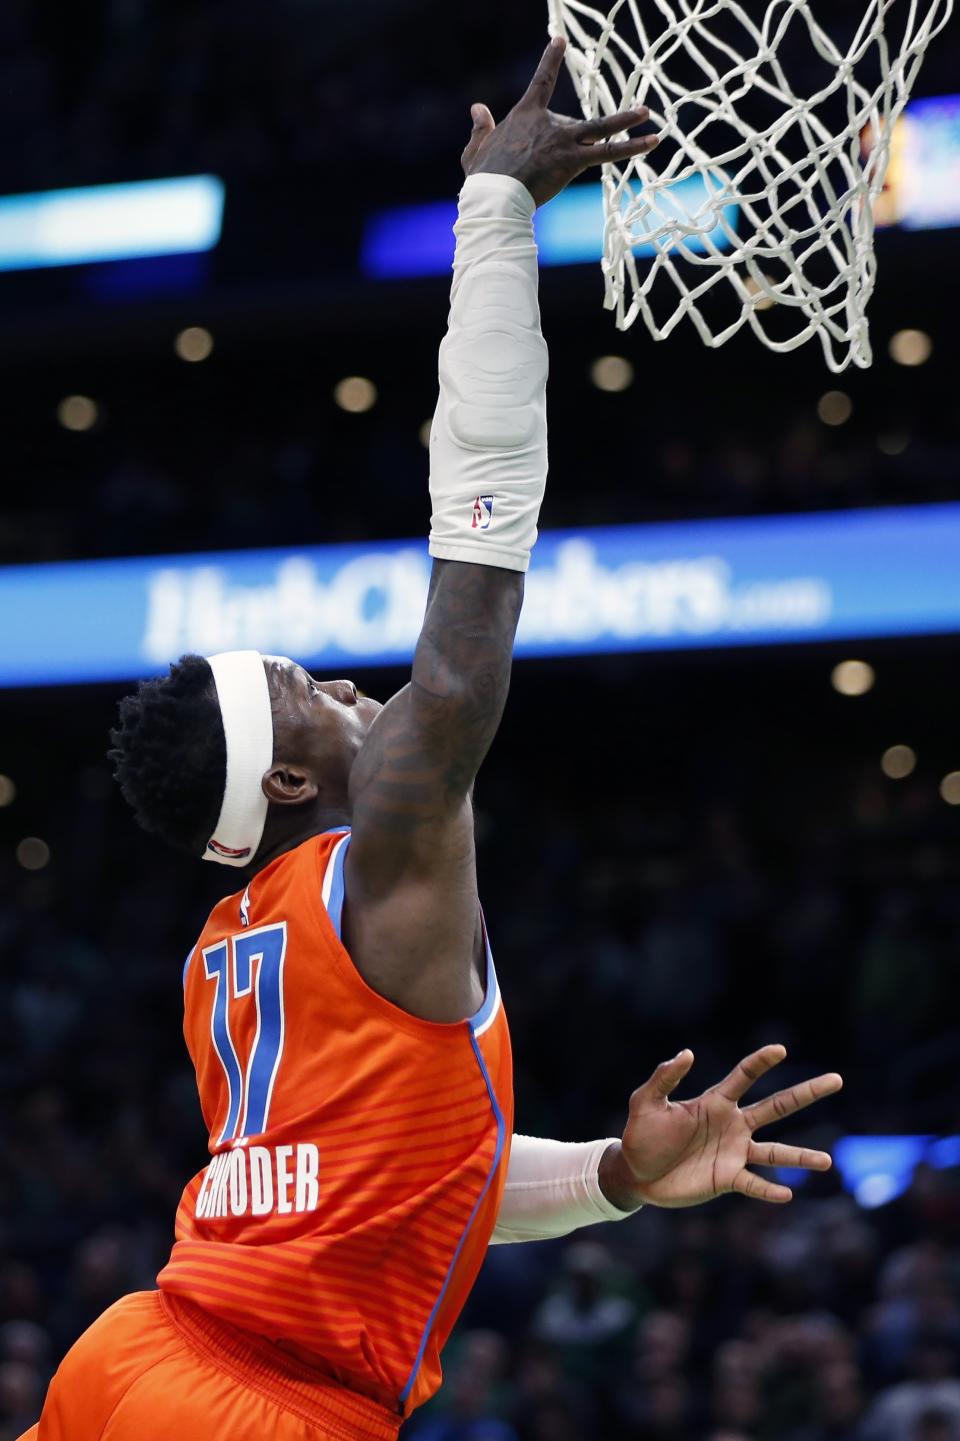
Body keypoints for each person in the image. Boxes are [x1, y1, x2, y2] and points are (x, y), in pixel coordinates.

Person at [22, 37, 842, 1441]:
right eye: (310, 690)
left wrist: (610, 1178)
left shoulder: (237, 944)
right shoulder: (383, 839)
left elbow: (401, 1174)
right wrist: (497, 223)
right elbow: (469, 615)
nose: (350, 686)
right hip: (261, 1404)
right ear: (290, 780)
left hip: (138, 1355)